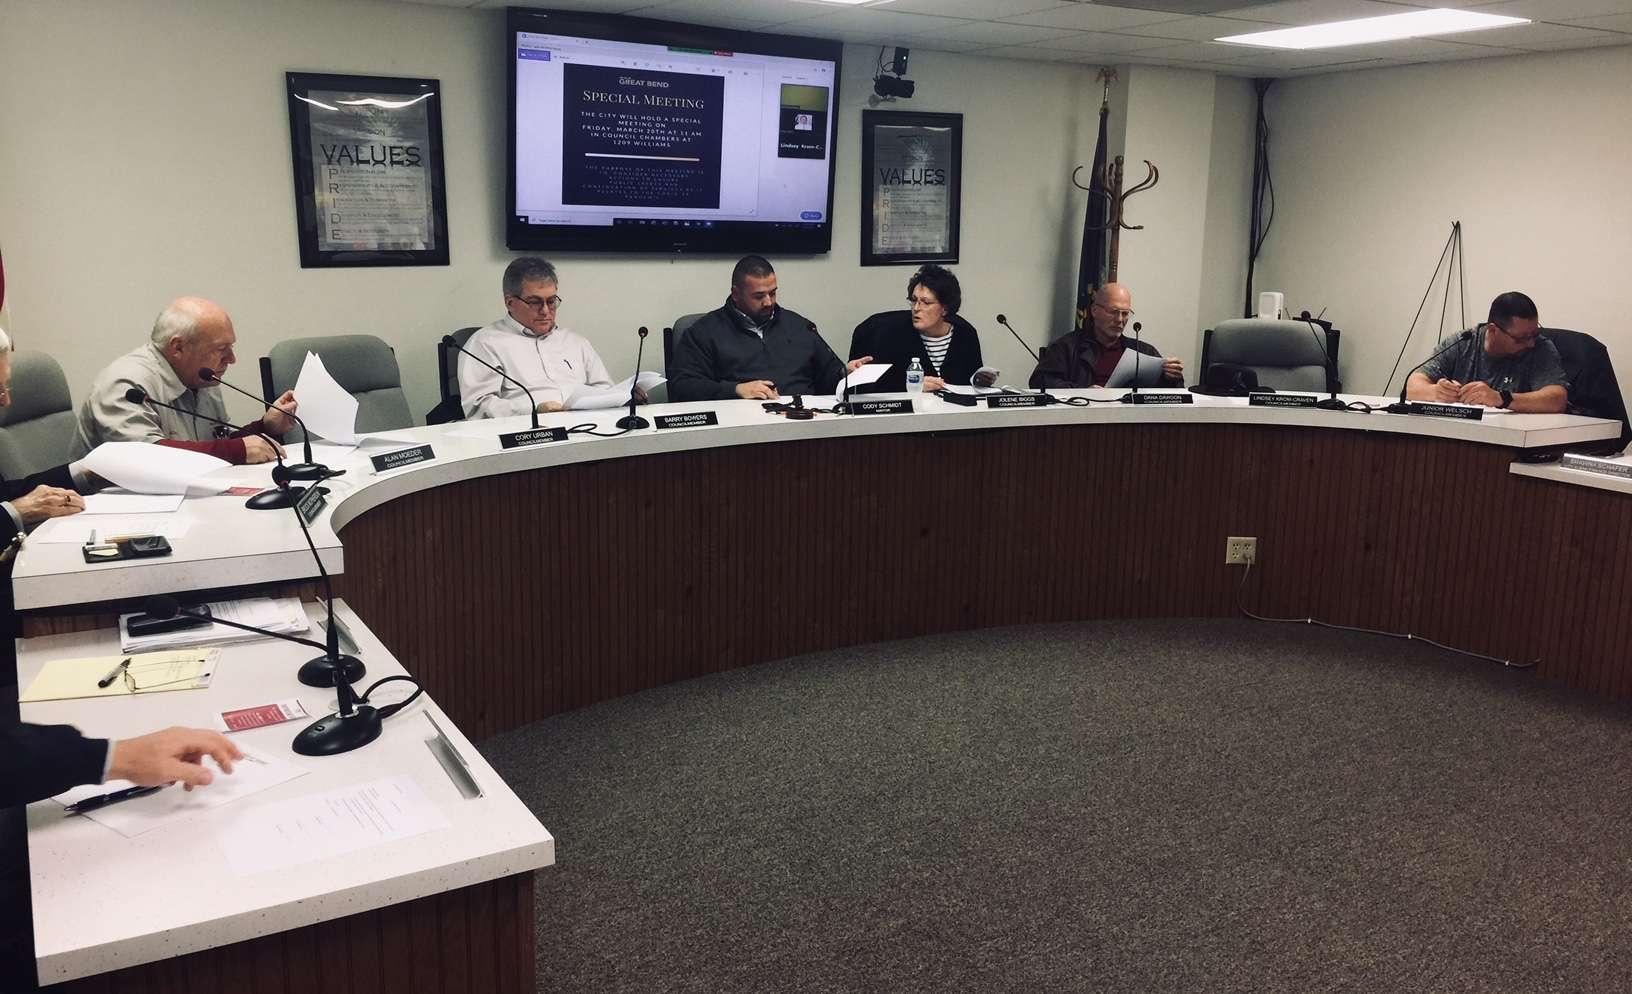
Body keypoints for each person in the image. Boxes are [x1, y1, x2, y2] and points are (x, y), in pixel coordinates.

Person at [71, 296, 297, 464]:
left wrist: (265, 427)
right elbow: (144, 459)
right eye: (221, 349)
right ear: (178, 347)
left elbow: (214, 446)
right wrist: (236, 451)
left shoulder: (203, 378)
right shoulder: (125, 383)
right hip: (115, 507)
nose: (232, 359)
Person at [669, 255, 871, 402]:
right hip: (742, 426)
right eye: (759, 296)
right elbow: (682, 386)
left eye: (773, 293)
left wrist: (844, 373)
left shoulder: (800, 326)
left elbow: (826, 376)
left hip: (803, 421)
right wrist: (736, 390)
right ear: (736, 294)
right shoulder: (704, 331)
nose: (768, 302)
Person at [459, 257, 625, 418]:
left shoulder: (576, 342)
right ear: (510, 302)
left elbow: (604, 390)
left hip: (587, 426)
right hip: (526, 430)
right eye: (535, 302)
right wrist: (534, 411)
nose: (545, 311)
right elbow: (478, 406)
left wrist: (625, 397)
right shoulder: (485, 343)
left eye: (551, 301)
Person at [1405, 291, 1568, 413]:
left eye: (1534, 334)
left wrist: (1502, 399)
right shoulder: (1463, 342)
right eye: (1521, 338)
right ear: (1493, 330)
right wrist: (1437, 392)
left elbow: (1557, 399)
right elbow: (1413, 386)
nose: (1531, 343)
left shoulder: (1540, 348)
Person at [848, 265, 991, 393]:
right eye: (914, 300)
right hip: (907, 412)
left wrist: (981, 381)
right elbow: (871, 388)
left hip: (954, 411)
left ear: (945, 308)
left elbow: (972, 384)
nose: (916, 308)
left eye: (926, 303)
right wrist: (912, 386)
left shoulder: (965, 334)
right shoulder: (889, 334)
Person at [1029, 283, 1183, 388]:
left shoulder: (1143, 351)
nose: (1120, 319)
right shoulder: (1067, 347)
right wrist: (1083, 392)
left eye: (1125, 313)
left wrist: (1170, 377)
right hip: (1083, 419)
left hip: (1130, 422)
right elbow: (1039, 381)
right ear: (1095, 311)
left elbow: (1172, 394)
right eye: (1114, 312)